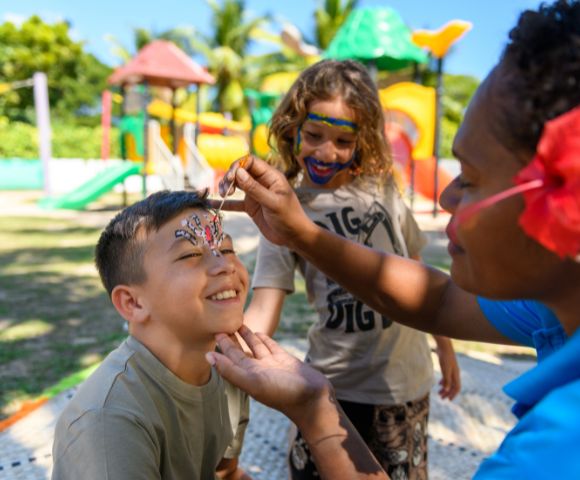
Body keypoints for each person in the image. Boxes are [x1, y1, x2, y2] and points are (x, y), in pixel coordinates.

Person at [207, 1, 580, 478]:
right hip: (343, 381)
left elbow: (428, 289)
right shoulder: (554, 312)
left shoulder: (550, 457)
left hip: (400, 391)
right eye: (314, 135)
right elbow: (440, 298)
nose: (445, 196)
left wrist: (315, 411)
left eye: (470, 176)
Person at [243, 59, 460, 479]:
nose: (327, 153)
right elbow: (264, 307)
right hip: (332, 393)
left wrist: (446, 348)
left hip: (403, 388)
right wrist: (228, 350)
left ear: (364, 141)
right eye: (314, 135)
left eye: (344, 141)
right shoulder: (285, 210)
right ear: (292, 129)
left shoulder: (383, 188)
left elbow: (418, 274)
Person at [52, 190, 252, 480]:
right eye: (191, 254)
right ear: (133, 303)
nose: (225, 265)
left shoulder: (229, 368)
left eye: (228, 249)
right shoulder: (110, 421)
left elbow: (225, 474)